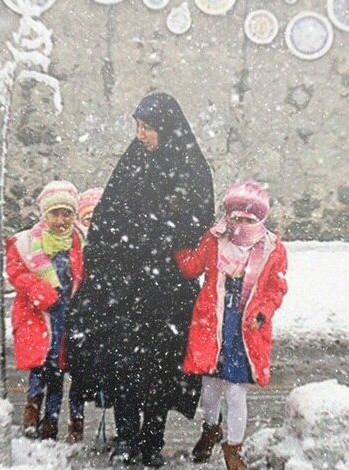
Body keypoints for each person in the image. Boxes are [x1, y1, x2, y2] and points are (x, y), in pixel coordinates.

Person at [67, 92, 215, 467]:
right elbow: (108, 214)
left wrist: (157, 234)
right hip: (126, 286)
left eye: (147, 128)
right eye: (138, 126)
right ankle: (127, 436)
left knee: (160, 369)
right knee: (124, 364)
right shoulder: (133, 161)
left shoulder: (190, 168)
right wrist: (113, 255)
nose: (141, 135)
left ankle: (152, 440)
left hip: (166, 291)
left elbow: (195, 222)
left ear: (167, 129)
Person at [175, 180, 288, 470]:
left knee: (237, 391)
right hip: (212, 324)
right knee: (210, 389)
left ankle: (233, 448)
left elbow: (276, 287)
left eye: (249, 219)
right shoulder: (215, 239)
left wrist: (263, 310)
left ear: (260, 218)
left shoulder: (272, 249)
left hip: (246, 329)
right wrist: (177, 239)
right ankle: (211, 428)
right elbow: (191, 267)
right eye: (235, 217)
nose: (240, 224)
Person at [6, 180, 85, 441]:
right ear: (44, 214)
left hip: (66, 317)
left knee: (58, 368)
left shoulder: (79, 243)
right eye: (55, 213)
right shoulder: (27, 242)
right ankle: (32, 409)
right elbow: (16, 272)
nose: (61, 220)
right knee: (40, 365)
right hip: (38, 315)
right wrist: (40, 291)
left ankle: (51, 421)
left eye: (67, 213)